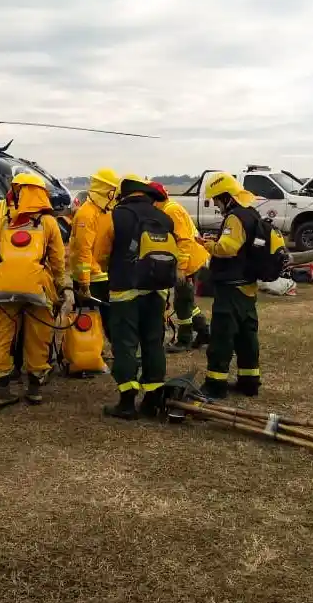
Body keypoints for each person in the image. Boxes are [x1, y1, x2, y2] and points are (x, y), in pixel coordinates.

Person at [95, 174, 177, 421]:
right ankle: (152, 400)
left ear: (124, 195)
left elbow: (100, 254)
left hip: (125, 291)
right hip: (157, 291)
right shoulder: (165, 218)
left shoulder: (116, 216)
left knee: (125, 344)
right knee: (153, 342)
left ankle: (127, 402)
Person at [198, 171, 284, 399]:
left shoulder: (235, 217)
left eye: (217, 200)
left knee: (221, 337)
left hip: (230, 288)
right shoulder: (252, 214)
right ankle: (249, 382)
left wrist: (208, 245)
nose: (216, 206)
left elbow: (228, 248)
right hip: (247, 286)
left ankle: (215, 385)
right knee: (247, 337)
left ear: (226, 197)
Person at [0, 174, 67, 408]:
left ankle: (1, 390)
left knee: (3, 338)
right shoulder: (49, 223)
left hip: (3, 289)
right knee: (38, 338)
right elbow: (58, 260)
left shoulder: (4, 222)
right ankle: (34, 389)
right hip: (37, 289)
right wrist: (59, 287)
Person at [148, 181, 210, 353]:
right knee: (186, 300)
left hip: (189, 261)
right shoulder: (167, 208)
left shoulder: (170, 211)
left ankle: (185, 340)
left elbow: (184, 241)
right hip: (191, 258)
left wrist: (181, 268)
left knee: (182, 302)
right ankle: (204, 331)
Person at [68, 168, 120, 348]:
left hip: (103, 275)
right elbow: (83, 250)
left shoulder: (105, 212)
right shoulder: (86, 214)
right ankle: (88, 354)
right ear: (108, 191)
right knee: (89, 320)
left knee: (109, 318)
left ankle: (113, 350)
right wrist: (84, 283)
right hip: (90, 278)